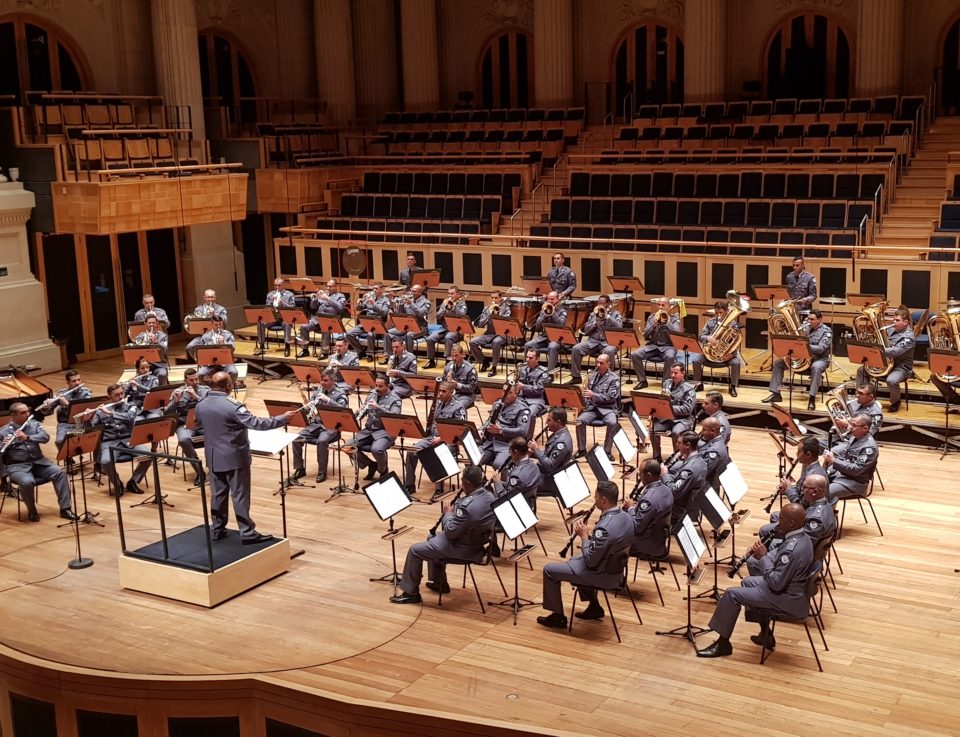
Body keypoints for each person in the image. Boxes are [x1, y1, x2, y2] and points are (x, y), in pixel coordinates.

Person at [697, 503, 813, 658]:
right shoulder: (802, 537)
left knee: (731, 594)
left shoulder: (792, 550)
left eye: (782, 518)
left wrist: (764, 557)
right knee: (747, 581)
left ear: (791, 523)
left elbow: (776, 584)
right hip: (793, 590)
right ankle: (766, 634)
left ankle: (723, 643)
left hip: (787, 598)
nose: (778, 521)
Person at [194, 371, 296, 544]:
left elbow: (199, 423)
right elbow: (256, 423)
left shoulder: (201, 404)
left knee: (218, 495)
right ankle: (247, 532)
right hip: (234, 457)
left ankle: (217, 529)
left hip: (212, 456)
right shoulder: (232, 406)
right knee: (239, 495)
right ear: (228, 386)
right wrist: (281, 419)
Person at [389, 464, 496, 604]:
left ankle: (411, 593)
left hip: (463, 549)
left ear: (467, 483)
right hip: (478, 544)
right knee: (431, 538)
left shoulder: (467, 507)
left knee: (415, 550)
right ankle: (439, 582)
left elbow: (450, 532)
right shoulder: (489, 496)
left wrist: (447, 514)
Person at [536, 480, 634, 629]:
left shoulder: (605, 528)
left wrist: (584, 536)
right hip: (617, 571)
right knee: (575, 558)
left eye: (596, 497)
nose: (594, 500)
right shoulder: (626, 516)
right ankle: (594, 607)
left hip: (602, 575)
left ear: (603, 500)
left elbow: (590, 562)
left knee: (549, 570)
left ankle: (557, 617)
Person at [1, 402, 78, 522]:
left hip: (39, 462)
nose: (27, 414)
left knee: (60, 473)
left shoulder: (34, 425)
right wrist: (3, 444)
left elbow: (45, 437)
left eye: (28, 411)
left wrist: (28, 437)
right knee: (27, 482)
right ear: (13, 415)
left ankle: (65, 509)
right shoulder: (3, 432)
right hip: (17, 466)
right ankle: (32, 511)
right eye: (23, 413)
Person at [79, 383, 152, 496]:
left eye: (122, 393)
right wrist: (87, 420)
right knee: (105, 461)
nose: (121, 397)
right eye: (116, 395)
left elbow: (130, 417)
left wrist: (111, 413)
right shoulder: (100, 411)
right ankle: (117, 483)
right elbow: (93, 431)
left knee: (148, 456)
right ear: (109, 397)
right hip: (109, 443)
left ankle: (133, 481)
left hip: (129, 440)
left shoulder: (130, 406)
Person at [403, 381, 466, 496]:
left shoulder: (458, 408)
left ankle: (439, 489)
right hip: (432, 438)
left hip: (449, 442)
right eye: (439, 391)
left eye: (443, 391)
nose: (440, 394)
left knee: (436, 451)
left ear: (451, 392)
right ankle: (409, 485)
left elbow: (459, 431)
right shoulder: (436, 404)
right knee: (411, 451)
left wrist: (442, 438)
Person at [762, 309, 832, 411]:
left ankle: (812, 398)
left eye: (812, 319)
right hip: (802, 357)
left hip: (819, 359)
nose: (809, 321)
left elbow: (820, 349)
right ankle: (775, 393)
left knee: (816, 368)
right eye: (808, 318)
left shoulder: (826, 331)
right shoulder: (804, 326)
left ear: (820, 320)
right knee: (778, 363)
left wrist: (804, 345)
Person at [289, 369, 350, 483]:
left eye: (325, 380)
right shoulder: (318, 392)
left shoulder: (340, 393)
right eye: (321, 380)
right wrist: (307, 407)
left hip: (332, 427)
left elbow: (344, 411)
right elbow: (309, 410)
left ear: (333, 380)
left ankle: (322, 471)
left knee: (321, 441)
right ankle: (299, 468)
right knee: (296, 438)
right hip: (316, 425)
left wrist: (328, 400)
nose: (322, 382)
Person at [756, 474, 836, 555]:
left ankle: (769, 561)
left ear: (815, 492)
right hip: (800, 537)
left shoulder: (815, 518)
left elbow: (804, 544)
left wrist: (764, 556)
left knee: (763, 534)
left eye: (804, 488)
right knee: (775, 520)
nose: (802, 491)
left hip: (798, 555)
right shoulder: (823, 504)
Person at [855, 307, 915, 413]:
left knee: (891, 380)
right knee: (861, 370)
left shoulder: (909, 337)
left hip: (901, 367)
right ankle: (864, 398)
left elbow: (896, 351)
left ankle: (896, 402)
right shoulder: (891, 330)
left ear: (905, 322)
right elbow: (878, 338)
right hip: (885, 363)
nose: (894, 322)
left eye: (897, 320)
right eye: (894, 319)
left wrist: (876, 350)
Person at [346, 373, 402, 480]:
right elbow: (364, 411)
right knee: (347, 447)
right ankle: (371, 465)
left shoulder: (395, 399)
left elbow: (395, 416)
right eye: (376, 385)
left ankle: (383, 470)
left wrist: (378, 407)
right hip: (369, 430)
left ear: (388, 386)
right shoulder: (372, 395)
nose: (377, 388)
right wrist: (358, 413)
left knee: (376, 449)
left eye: (380, 386)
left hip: (385, 431)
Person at [163, 367, 209, 486]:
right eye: (191, 380)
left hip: (203, 423)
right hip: (185, 425)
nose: (195, 382)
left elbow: (211, 407)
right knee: (183, 440)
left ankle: (214, 468)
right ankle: (199, 471)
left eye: (196, 379)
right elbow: (167, 414)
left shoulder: (206, 390)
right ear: (185, 381)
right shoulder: (178, 392)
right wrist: (175, 402)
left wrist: (196, 397)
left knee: (218, 434)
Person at [566, 295, 623, 386]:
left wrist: (607, 316)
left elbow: (619, 327)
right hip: (593, 341)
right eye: (599, 303)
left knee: (609, 351)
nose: (600, 305)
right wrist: (594, 324)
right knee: (576, 348)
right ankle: (576, 377)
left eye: (602, 303)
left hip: (608, 342)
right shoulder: (593, 314)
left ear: (608, 304)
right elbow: (586, 331)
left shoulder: (616, 314)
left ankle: (608, 378)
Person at [622, 458, 673, 556]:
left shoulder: (648, 499)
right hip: (659, 540)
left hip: (645, 544)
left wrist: (630, 508)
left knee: (612, 541)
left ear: (648, 475)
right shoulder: (667, 490)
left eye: (640, 473)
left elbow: (637, 527)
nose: (639, 477)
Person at [574, 353, 621, 460]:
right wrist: (583, 404)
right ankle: (581, 450)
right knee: (579, 421)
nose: (598, 365)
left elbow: (611, 397)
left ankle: (607, 451)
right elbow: (587, 394)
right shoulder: (592, 376)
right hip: (593, 408)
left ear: (608, 364)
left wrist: (593, 395)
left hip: (607, 409)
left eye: (601, 363)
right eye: (597, 362)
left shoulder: (614, 379)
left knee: (613, 422)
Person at [690, 300, 742, 397]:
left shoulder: (733, 324)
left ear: (726, 311)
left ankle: (733, 386)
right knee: (696, 361)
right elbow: (701, 337)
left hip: (726, 355)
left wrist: (732, 354)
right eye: (716, 313)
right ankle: (698, 384)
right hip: (710, 354)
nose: (718, 315)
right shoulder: (710, 322)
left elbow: (736, 341)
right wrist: (708, 338)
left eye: (721, 313)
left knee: (736, 363)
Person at [822, 413, 878, 500]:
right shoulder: (855, 437)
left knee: (821, 495)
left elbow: (856, 470)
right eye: (850, 423)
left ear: (865, 428)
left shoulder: (869, 448)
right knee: (810, 484)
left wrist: (834, 460)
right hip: (841, 475)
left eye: (854, 425)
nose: (850, 427)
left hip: (855, 483)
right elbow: (844, 454)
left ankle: (827, 513)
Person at [34, 369, 92, 450]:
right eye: (74, 381)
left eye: (79, 380)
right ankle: (68, 458)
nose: (78, 383)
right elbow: (48, 411)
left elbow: (82, 412)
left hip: (81, 423)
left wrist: (67, 404)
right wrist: (46, 405)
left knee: (89, 439)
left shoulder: (86, 393)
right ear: (68, 382)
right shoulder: (61, 393)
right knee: (59, 441)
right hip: (66, 424)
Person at [478, 384, 532, 470]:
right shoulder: (497, 404)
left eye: (509, 392)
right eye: (504, 391)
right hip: (489, 443)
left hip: (507, 445)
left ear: (516, 393)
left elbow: (523, 431)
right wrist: (482, 429)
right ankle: (481, 481)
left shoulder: (523, 409)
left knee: (498, 465)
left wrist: (501, 431)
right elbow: (489, 420)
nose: (505, 394)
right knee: (474, 459)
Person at [630, 297, 681, 388]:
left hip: (668, 347)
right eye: (659, 305)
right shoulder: (652, 317)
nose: (660, 307)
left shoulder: (674, 319)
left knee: (670, 356)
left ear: (669, 306)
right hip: (652, 346)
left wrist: (667, 322)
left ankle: (666, 382)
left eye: (663, 305)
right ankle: (642, 380)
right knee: (635, 354)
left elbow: (677, 334)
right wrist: (653, 325)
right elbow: (645, 335)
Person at [651, 363, 696, 459]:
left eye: (676, 373)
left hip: (682, 419)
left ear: (683, 373)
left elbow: (687, 409)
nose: (672, 375)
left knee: (676, 432)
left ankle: (677, 457)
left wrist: (669, 408)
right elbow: (662, 400)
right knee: (652, 430)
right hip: (667, 418)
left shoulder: (689, 389)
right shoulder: (666, 383)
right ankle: (657, 456)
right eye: (671, 372)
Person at [662, 430, 707, 528]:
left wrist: (664, 474)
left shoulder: (689, 469)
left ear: (688, 445)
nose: (677, 445)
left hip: (678, 510)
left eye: (679, 443)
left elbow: (675, 492)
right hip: (687, 500)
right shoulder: (700, 460)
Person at [530, 407, 573, 502]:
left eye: (549, 420)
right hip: (544, 472)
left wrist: (536, 450)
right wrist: (532, 453)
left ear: (558, 423)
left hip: (550, 480)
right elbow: (547, 455)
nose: (546, 423)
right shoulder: (558, 433)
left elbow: (550, 465)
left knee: (521, 482)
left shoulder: (562, 442)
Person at [298, 279, 347, 357]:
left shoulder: (340, 296)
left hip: (330, 321)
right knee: (304, 326)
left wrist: (328, 298)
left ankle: (324, 352)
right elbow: (313, 307)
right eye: (327, 286)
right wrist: (314, 298)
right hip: (317, 320)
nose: (328, 288)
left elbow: (340, 308)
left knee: (326, 328)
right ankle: (305, 350)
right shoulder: (323, 294)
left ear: (336, 287)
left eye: (330, 286)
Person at [469, 291, 511, 377]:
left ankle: (494, 367)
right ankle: (484, 361)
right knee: (472, 342)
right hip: (489, 334)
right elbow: (480, 324)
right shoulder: (487, 308)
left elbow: (507, 322)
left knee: (496, 342)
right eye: (492, 298)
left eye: (496, 298)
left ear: (500, 298)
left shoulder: (506, 309)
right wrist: (489, 314)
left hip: (501, 334)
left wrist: (498, 314)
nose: (494, 300)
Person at [424, 286, 468, 368]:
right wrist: (444, 308)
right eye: (449, 293)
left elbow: (462, 315)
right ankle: (431, 361)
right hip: (444, 329)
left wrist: (454, 306)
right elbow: (438, 316)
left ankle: (448, 360)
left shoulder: (462, 304)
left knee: (448, 337)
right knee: (430, 338)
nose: (450, 295)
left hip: (457, 330)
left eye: (452, 293)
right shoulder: (445, 302)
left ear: (457, 294)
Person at [776, 436, 827, 506]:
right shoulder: (811, 468)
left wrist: (788, 489)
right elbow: (800, 491)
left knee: (776, 515)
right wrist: (787, 488)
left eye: (799, 451)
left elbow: (801, 506)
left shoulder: (812, 477)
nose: (796, 454)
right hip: (809, 510)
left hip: (808, 514)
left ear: (808, 454)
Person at [523, 291, 567, 371]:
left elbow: (561, 324)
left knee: (552, 347)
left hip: (556, 338)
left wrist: (553, 313)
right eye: (548, 299)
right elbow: (537, 326)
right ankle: (526, 369)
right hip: (544, 337)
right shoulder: (544, 309)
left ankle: (550, 372)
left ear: (558, 299)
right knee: (528, 345)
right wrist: (544, 315)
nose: (549, 301)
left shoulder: (562, 311)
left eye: (552, 299)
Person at [346, 283, 391, 359]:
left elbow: (384, 313)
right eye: (373, 288)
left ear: (381, 290)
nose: (374, 290)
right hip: (366, 322)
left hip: (378, 324)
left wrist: (374, 303)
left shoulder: (385, 300)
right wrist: (360, 302)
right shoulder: (369, 297)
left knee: (370, 334)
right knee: (349, 334)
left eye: (376, 288)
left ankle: (370, 354)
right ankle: (360, 351)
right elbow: (359, 309)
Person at [386, 284, 430, 354]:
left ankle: (408, 356)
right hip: (406, 326)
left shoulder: (426, 302)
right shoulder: (409, 299)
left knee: (409, 335)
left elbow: (421, 314)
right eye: (411, 291)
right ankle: (389, 355)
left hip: (420, 327)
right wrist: (400, 304)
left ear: (420, 292)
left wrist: (412, 304)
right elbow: (401, 314)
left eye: (414, 291)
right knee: (387, 333)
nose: (412, 293)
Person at [185, 289, 229, 360]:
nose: (210, 299)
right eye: (208, 297)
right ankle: (201, 362)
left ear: (215, 298)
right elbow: (195, 324)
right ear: (204, 298)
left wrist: (214, 314)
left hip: (217, 335)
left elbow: (225, 322)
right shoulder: (198, 309)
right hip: (202, 336)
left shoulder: (221, 309)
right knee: (190, 347)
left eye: (212, 297)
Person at [499, 437, 540, 509]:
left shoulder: (516, 476)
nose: (509, 454)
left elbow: (505, 498)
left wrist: (497, 483)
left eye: (510, 451)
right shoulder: (535, 467)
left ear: (515, 452)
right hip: (529, 504)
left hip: (517, 507)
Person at [258, 277, 296, 356]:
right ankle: (261, 345)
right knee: (261, 322)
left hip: (284, 318)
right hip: (273, 318)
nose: (277, 288)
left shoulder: (289, 295)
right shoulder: (270, 294)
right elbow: (266, 309)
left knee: (287, 323)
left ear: (283, 285)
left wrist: (282, 302)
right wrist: (271, 301)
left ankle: (287, 346)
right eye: (275, 285)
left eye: (279, 285)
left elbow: (292, 308)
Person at [195, 315, 238, 382]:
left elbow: (233, 349)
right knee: (200, 374)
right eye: (216, 325)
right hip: (210, 364)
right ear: (211, 324)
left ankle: (227, 389)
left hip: (225, 363)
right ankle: (208, 390)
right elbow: (201, 353)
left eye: (220, 324)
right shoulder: (205, 337)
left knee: (234, 373)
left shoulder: (228, 335)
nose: (218, 326)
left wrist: (224, 343)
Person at [514, 348, 551, 419]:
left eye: (530, 358)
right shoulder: (522, 368)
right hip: (521, 398)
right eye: (526, 357)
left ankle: (527, 430)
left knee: (528, 415)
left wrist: (523, 386)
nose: (527, 359)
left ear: (537, 359)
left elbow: (540, 390)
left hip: (535, 400)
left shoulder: (543, 372)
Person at [133, 314, 169, 384]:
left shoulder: (163, 336)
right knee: (139, 376)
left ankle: (162, 391)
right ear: (145, 324)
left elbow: (164, 350)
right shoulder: (140, 336)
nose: (151, 325)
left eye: (153, 323)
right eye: (149, 323)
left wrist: (156, 342)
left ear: (157, 324)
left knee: (162, 374)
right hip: (144, 365)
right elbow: (137, 351)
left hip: (159, 364)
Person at [441, 344, 478, 410]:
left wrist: (457, 385)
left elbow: (472, 389)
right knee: (438, 403)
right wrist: (447, 383)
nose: (454, 358)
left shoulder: (470, 369)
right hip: (451, 394)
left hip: (466, 395)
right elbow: (443, 384)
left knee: (456, 406)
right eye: (452, 356)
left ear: (462, 355)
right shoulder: (448, 367)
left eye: (456, 355)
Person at [698, 417, 730, 492]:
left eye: (704, 430)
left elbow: (702, 473)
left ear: (712, 431)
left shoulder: (714, 451)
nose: (702, 432)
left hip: (706, 487)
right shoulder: (717, 441)